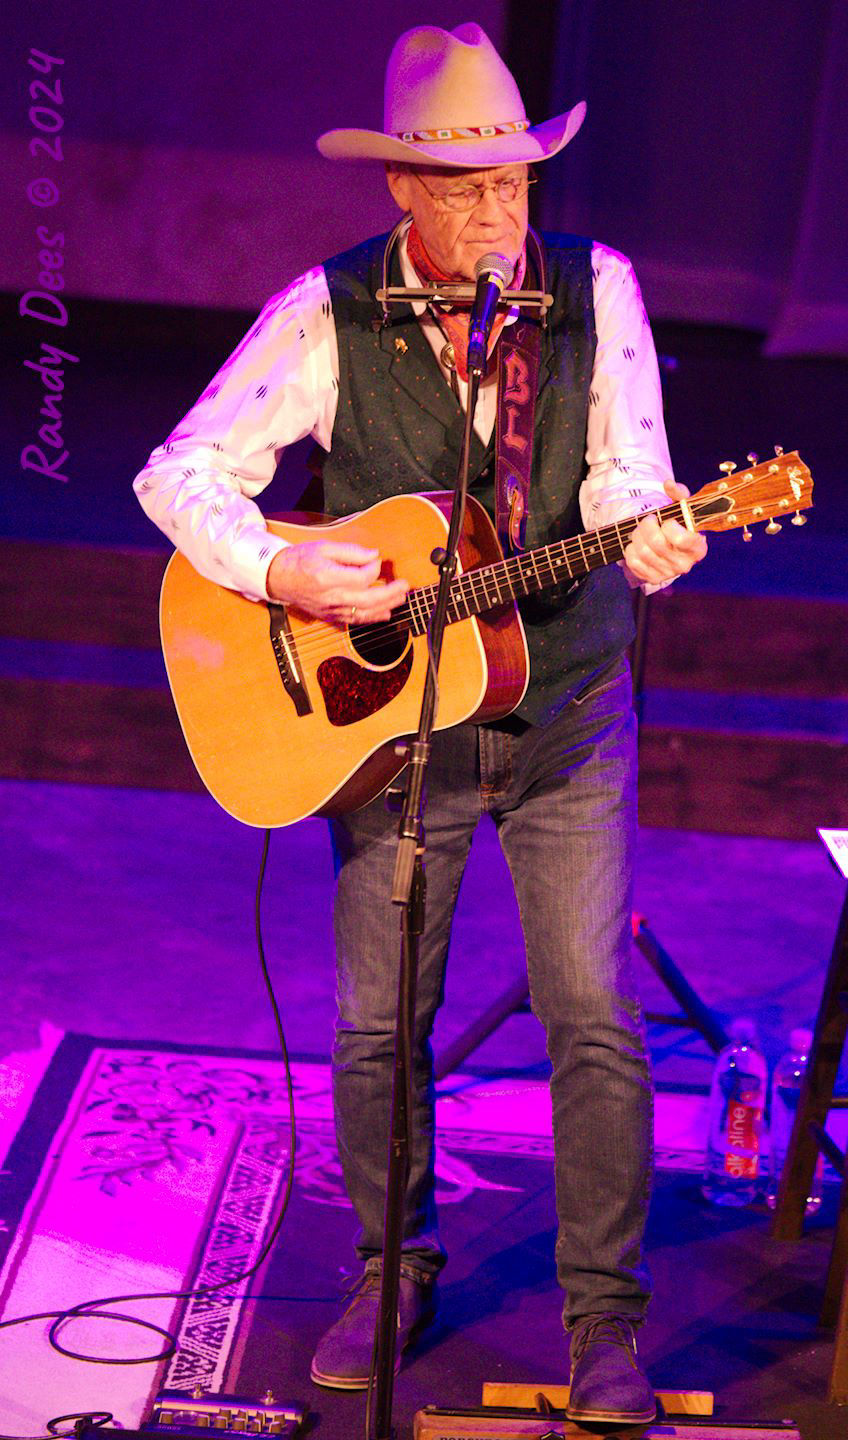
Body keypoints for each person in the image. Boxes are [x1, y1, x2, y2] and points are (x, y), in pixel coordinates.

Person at [133, 22, 707, 1425]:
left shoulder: (597, 291)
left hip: (564, 715)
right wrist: (280, 566)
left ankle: (605, 1326)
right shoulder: (328, 312)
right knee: (378, 1022)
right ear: (401, 190)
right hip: (390, 743)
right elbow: (181, 471)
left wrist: (653, 539)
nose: (502, 212)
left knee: (593, 1013)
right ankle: (392, 1267)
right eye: (467, 188)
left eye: (516, 182)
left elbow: (629, 483)